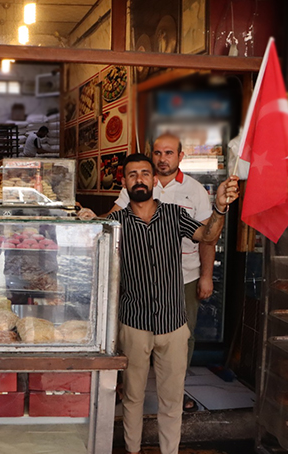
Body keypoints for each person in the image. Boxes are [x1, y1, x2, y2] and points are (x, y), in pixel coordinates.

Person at [79, 153, 239, 454]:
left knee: (171, 398)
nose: (138, 179)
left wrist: (218, 207)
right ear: (124, 183)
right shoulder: (116, 222)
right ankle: (132, 450)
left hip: (173, 324)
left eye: (144, 173)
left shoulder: (174, 214)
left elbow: (208, 234)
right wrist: (86, 221)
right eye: (131, 175)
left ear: (154, 180)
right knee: (133, 397)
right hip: (134, 323)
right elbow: (91, 240)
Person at [105, 133, 215, 410]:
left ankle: (178, 391)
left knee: (181, 338)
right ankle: (125, 387)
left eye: (169, 153)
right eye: (157, 153)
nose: (162, 158)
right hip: (139, 280)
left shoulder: (195, 190)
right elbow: (111, 222)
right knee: (132, 336)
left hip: (184, 277)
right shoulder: (137, 184)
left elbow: (208, 236)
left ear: (180, 157)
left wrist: (206, 276)